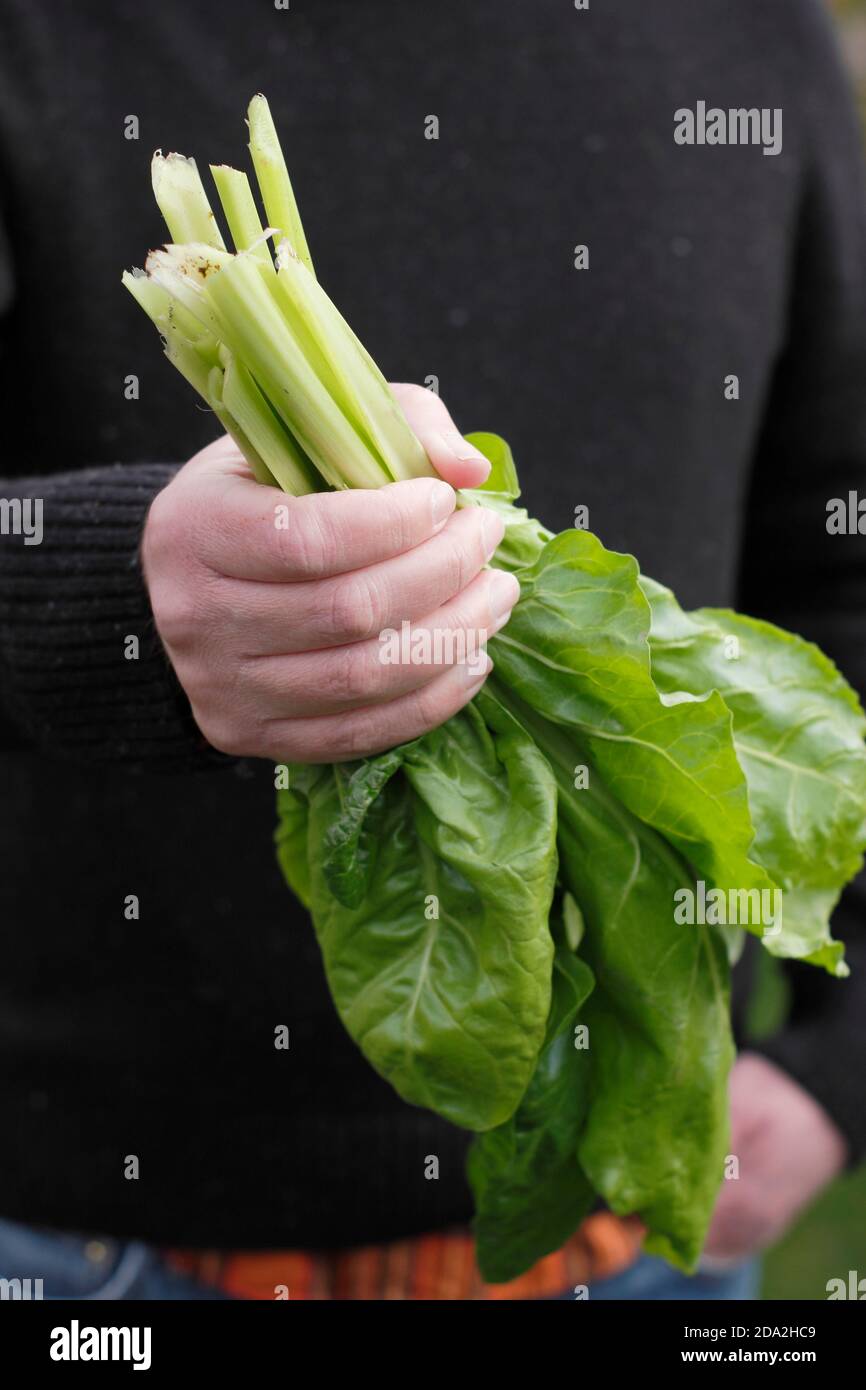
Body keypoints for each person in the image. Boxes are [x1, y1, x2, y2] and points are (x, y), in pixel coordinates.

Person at [0, 0, 863, 1300]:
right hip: (79, 1252)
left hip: (632, 1253)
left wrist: (844, 1069)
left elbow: (842, 545)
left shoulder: (750, 33)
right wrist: (94, 592)